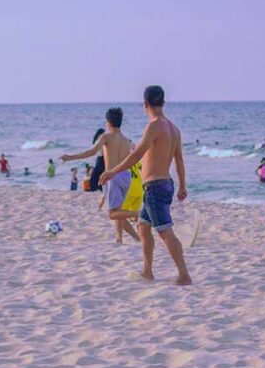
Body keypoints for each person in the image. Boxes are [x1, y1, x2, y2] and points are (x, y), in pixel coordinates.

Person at [100, 86, 191, 284]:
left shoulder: (154, 126)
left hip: (156, 186)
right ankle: (147, 271)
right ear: (163, 103)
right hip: (163, 184)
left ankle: (184, 275)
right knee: (143, 226)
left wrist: (113, 171)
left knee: (165, 231)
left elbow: (137, 154)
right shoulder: (174, 128)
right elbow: (179, 160)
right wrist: (183, 185)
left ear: (145, 104)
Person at [61, 107, 140, 244]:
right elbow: (136, 156)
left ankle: (138, 214)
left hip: (112, 176)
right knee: (118, 211)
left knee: (112, 213)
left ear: (108, 123)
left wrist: (70, 157)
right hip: (126, 177)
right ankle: (124, 239)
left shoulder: (106, 137)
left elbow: (91, 152)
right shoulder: (127, 141)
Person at [88, 128, 106, 193]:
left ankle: (100, 188)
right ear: (99, 134)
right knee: (96, 175)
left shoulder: (100, 141)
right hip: (99, 159)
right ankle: (99, 188)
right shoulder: (98, 141)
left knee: (97, 175)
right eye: (103, 134)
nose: (104, 135)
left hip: (101, 159)